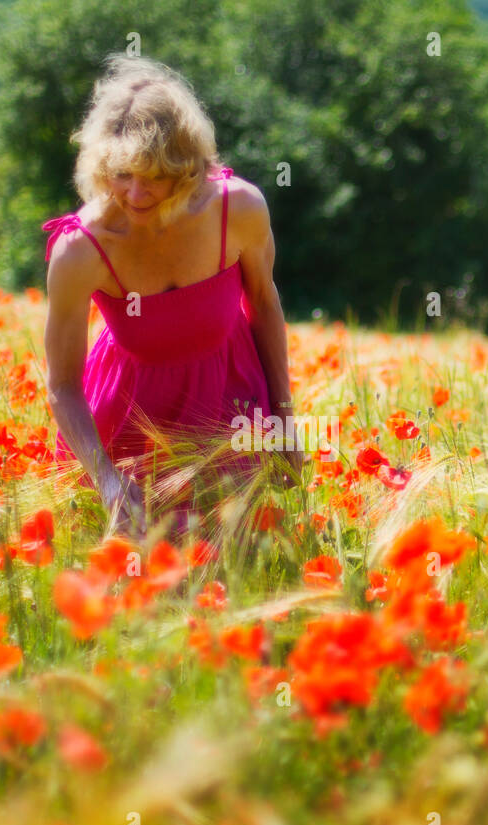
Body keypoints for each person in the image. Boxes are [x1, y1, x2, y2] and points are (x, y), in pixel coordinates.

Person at [43, 54, 301, 539]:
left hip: (234, 409)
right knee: (137, 585)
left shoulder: (238, 210)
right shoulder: (81, 251)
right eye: (121, 174)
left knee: (242, 570)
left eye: (154, 176)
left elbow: (264, 306)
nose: (136, 193)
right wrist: (107, 481)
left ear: (189, 169)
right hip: (130, 427)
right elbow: (62, 385)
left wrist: (285, 422)